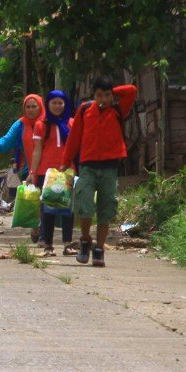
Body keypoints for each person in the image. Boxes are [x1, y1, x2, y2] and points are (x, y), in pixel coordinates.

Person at [60, 78, 138, 268]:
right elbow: (75, 137)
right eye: (99, 95)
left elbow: (132, 90)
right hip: (87, 166)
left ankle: (99, 249)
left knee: (106, 208)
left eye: (106, 95)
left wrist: (112, 91)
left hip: (110, 168)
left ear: (112, 95)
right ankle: (85, 241)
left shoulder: (119, 109)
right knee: (85, 204)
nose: (103, 99)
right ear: (93, 96)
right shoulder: (85, 110)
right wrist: (65, 161)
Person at [0, 94, 44, 240]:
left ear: (40, 106)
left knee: (45, 199)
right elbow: (8, 139)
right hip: (28, 169)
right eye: (27, 107)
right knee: (34, 199)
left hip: (47, 168)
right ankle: (37, 228)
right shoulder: (20, 124)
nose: (30, 110)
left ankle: (42, 230)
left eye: (34, 106)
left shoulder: (47, 122)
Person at [27, 90, 75, 257]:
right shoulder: (41, 125)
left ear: (65, 104)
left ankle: (68, 244)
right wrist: (33, 172)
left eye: (60, 103)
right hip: (46, 173)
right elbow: (37, 150)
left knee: (68, 209)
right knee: (47, 210)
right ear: (47, 104)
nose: (57, 106)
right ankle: (48, 245)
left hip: (67, 172)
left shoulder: (72, 124)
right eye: (54, 103)